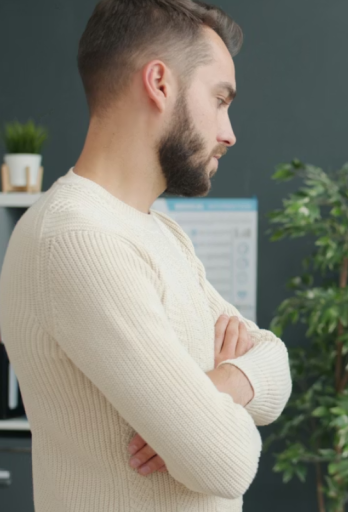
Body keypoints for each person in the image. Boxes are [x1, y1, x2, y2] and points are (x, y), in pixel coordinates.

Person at [0, 1, 292, 510]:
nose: (229, 133)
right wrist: (209, 415)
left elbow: (276, 362)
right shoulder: (79, 239)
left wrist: (221, 384)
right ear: (159, 83)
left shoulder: (157, 232)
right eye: (220, 99)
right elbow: (226, 461)